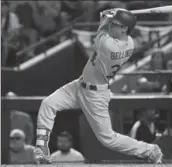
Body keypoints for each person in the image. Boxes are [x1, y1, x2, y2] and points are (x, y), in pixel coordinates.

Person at [34, 8, 163, 164]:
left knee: (108, 139)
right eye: (113, 24)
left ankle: (150, 150)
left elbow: (102, 29)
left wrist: (107, 16)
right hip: (79, 86)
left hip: (95, 95)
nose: (112, 26)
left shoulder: (109, 45)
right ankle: (41, 151)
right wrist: (115, 14)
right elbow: (108, 25)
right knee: (48, 104)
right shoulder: (128, 42)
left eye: (116, 25)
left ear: (124, 29)